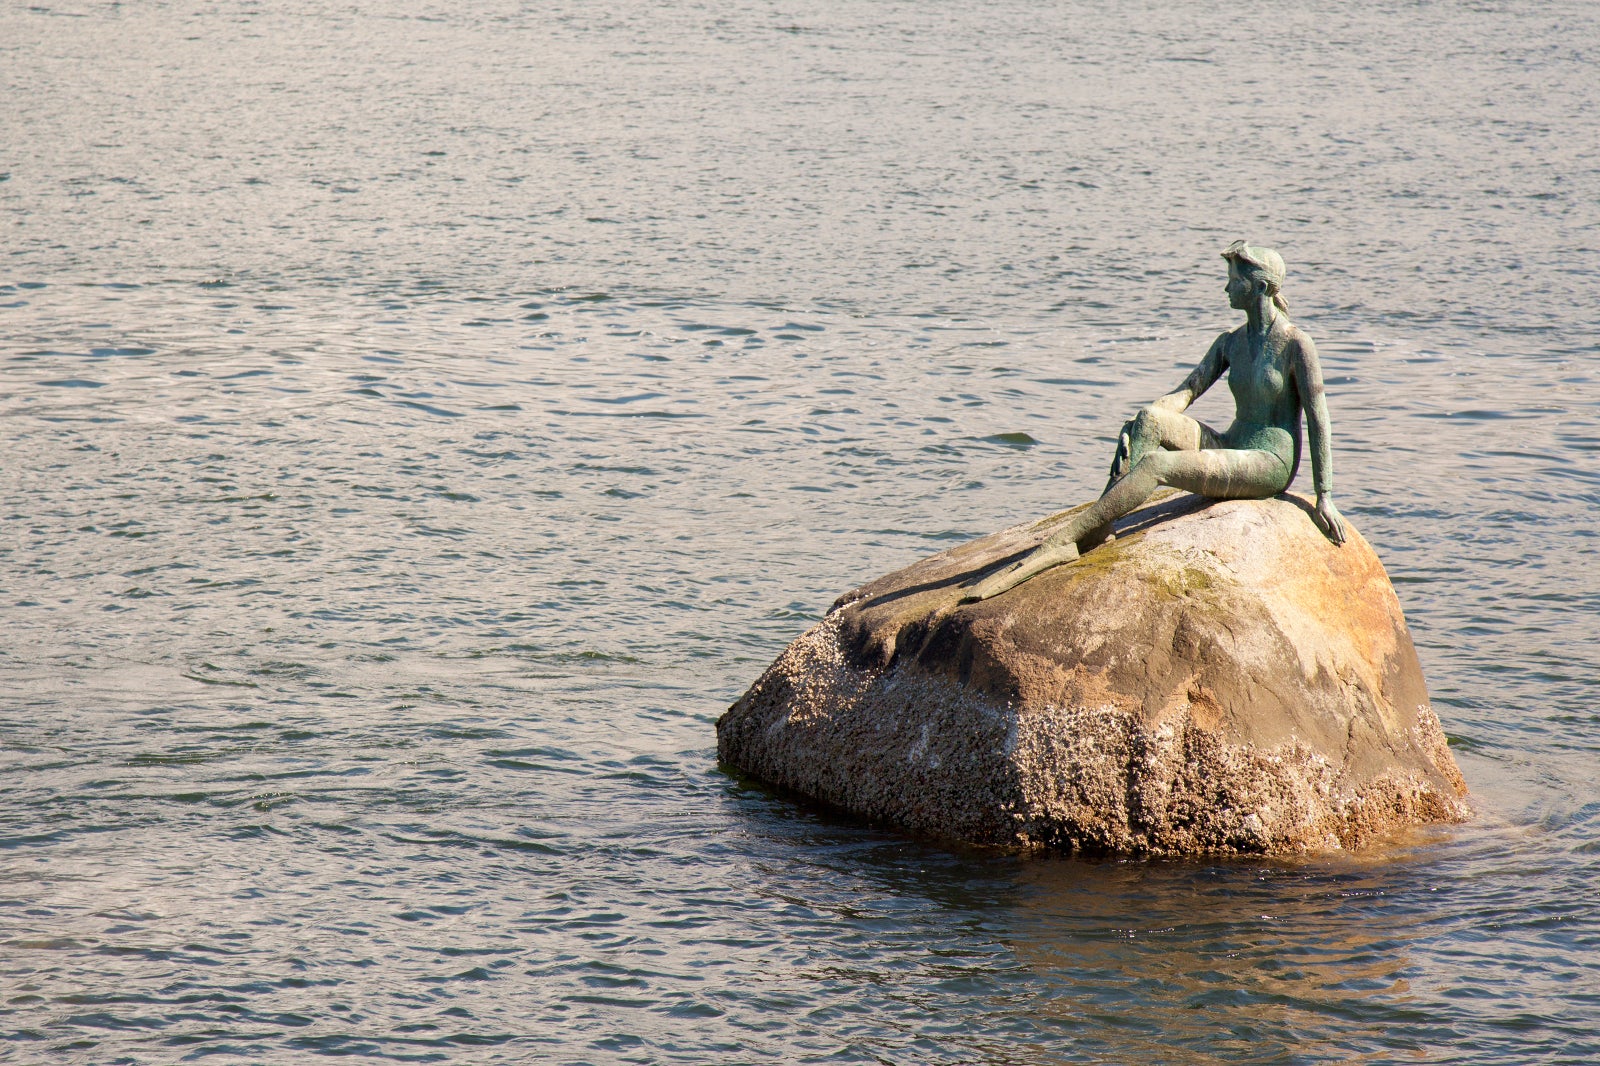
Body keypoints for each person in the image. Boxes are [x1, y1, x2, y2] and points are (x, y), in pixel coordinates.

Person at [964, 240, 1346, 602]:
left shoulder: (1296, 344)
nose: (1225, 289)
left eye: (1233, 281)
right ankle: (1101, 527)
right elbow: (1185, 393)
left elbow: (1318, 418)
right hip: (1231, 444)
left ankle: (1065, 540)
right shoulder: (1231, 342)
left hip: (1267, 463)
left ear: (1260, 287)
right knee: (1150, 420)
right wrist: (1137, 422)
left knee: (1157, 464)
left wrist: (1323, 495)